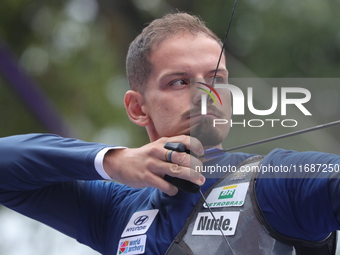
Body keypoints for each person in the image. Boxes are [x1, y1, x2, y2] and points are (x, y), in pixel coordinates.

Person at [1, 12, 340, 255]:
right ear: (137, 108)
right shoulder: (117, 209)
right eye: (179, 81)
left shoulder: (277, 181)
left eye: (217, 79)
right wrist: (113, 161)